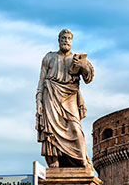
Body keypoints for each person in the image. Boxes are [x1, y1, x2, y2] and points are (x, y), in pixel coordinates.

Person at [36, 28, 94, 168]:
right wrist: (38, 101)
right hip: (51, 95)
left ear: (71, 41)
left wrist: (83, 66)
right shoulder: (49, 58)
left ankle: (82, 160)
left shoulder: (77, 59)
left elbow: (88, 78)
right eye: (63, 38)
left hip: (70, 96)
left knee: (75, 128)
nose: (65, 41)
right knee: (51, 129)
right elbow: (41, 81)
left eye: (68, 39)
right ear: (59, 41)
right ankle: (54, 159)